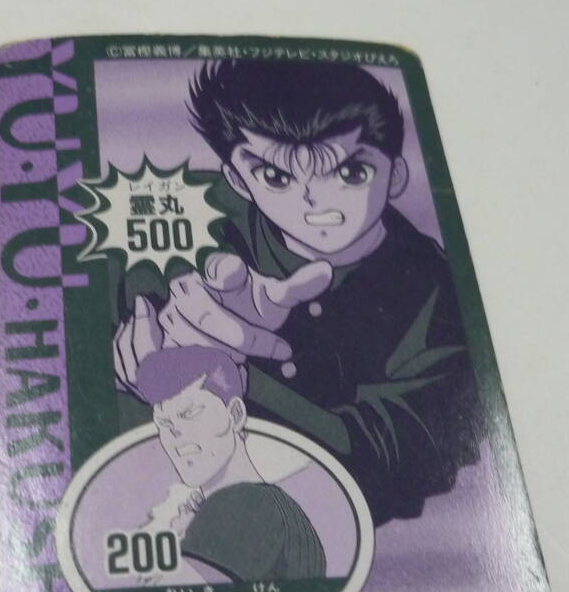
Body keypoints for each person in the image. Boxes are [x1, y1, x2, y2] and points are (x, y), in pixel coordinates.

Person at [114, 60, 483, 524]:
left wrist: (237, 377)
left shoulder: (440, 295)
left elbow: (397, 461)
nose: (314, 200)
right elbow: (120, 287)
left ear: (395, 175)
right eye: (276, 178)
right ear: (238, 180)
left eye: (351, 173)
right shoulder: (197, 213)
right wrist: (141, 339)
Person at [134, 345, 325, 582]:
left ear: (235, 415)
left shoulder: (244, 502)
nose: (175, 434)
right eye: (164, 423)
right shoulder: (276, 507)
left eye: (189, 414)